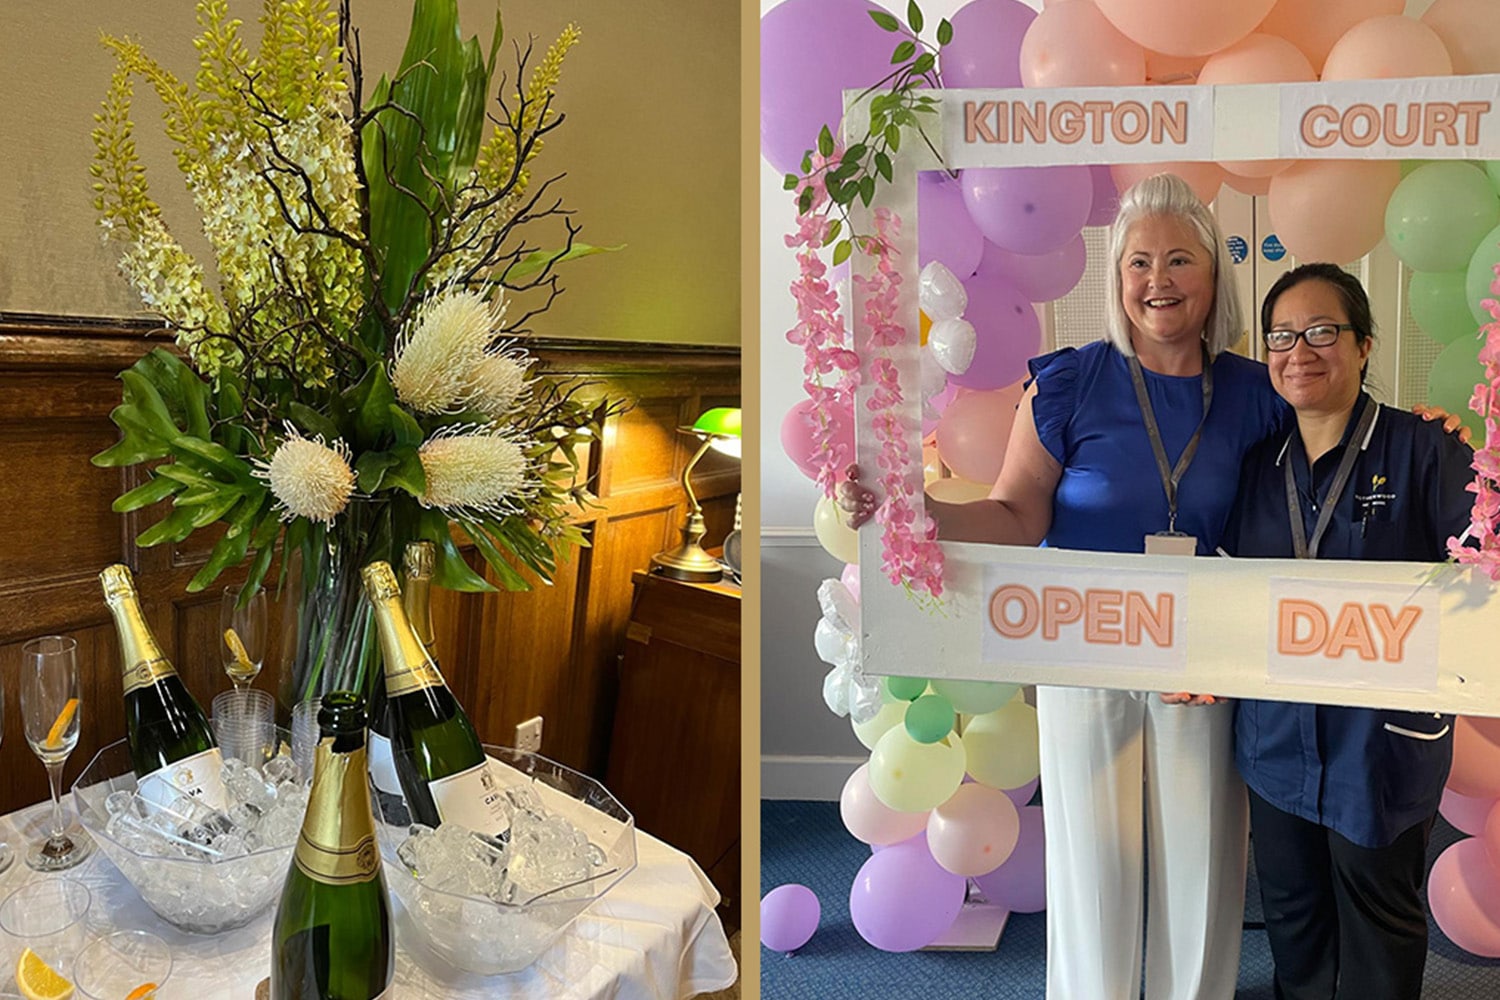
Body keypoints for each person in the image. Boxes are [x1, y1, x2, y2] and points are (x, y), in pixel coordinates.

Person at [844, 172, 1286, 1000]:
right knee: (1092, 870)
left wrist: (1431, 443)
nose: (1158, 280)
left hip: (1201, 663)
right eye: (1139, 261)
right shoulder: (1069, 383)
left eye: (1180, 259)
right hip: (1083, 649)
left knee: (1202, 863)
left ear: (1213, 275)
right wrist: (913, 507)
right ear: (1118, 278)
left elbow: (1314, 492)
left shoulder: (1258, 394)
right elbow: (1016, 515)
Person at [1221, 263, 1474, 1000]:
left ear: (1364, 344)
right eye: (1281, 336)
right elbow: (1224, 596)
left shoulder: (1426, 449)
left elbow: (1483, 558)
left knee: (1379, 932)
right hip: (1276, 745)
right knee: (1294, 927)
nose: (1299, 351)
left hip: (1379, 751)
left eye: (1322, 331)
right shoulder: (1255, 467)